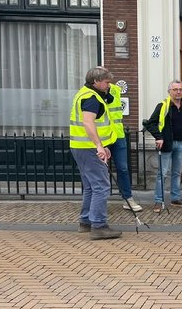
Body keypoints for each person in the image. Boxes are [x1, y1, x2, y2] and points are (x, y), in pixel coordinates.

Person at [69, 66, 121, 240]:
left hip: (81, 147)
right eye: (106, 82)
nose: (109, 85)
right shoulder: (92, 98)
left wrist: (102, 144)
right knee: (101, 186)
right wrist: (99, 145)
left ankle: (85, 222)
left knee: (91, 186)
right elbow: (88, 123)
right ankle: (98, 226)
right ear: (96, 81)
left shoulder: (84, 93)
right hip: (88, 148)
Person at [145, 80, 182, 212]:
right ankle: (158, 201)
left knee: (177, 173)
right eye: (175, 89)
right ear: (169, 91)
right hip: (167, 144)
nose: (178, 92)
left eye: (180, 89)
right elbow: (150, 123)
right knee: (162, 174)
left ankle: (176, 198)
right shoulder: (163, 106)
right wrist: (159, 137)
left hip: (181, 144)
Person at [107, 83, 142, 212]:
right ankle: (98, 202)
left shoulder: (116, 89)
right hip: (102, 137)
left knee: (123, 168)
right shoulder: (92, 92)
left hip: (118, 135)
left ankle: (128, 199)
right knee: (100, 170)